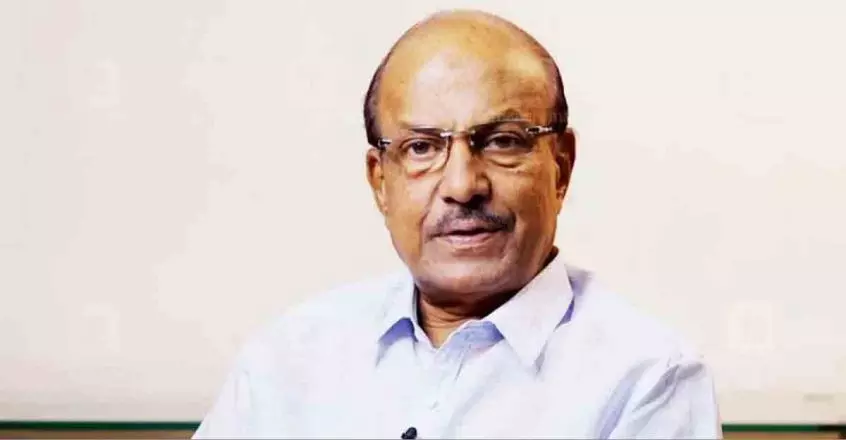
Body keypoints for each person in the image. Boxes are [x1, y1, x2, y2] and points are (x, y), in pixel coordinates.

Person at [194, 9, 722, 439]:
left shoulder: (646, 379)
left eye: (503, 141)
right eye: (422, 148)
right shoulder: (289, 358)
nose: (463, 185)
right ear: (380, 181)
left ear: (560, 167)